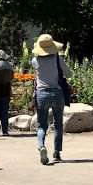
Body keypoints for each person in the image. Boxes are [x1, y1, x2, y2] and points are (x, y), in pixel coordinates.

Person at [30, 33, 70, 165]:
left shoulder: (35, 61)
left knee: (42, 125)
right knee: (58, 124)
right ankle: (57, 152)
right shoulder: (58, 59)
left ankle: (41, 146)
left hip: (42, 94)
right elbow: (69, 73)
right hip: (57, 93)